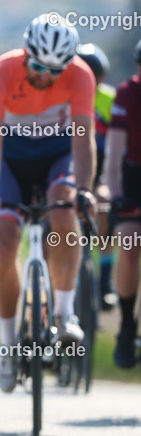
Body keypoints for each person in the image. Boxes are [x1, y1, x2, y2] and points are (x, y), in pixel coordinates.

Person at [0, 14, 96, 392]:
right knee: (4, 243)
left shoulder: (81, 76)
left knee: (64, 207)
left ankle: (63, 314)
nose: (45, 76)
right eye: (38, 67)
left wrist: (85, 189)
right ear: (25, 53)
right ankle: (8, 343)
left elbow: (83, 140)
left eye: (55, 71)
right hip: (10, 157)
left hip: (56, 154)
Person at [107, 38, 141, 368]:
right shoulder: (127, 93)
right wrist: (116, 195)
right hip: (133, 176)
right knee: (129, 245)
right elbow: (114, 153)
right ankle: (128, 325)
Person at [77, 43, 118, 309]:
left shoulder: (111, 100)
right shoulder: (66, 97)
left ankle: (104, 280)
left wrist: (107, 180)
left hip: (101, 170)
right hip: (73, 169)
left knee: (105, 205)